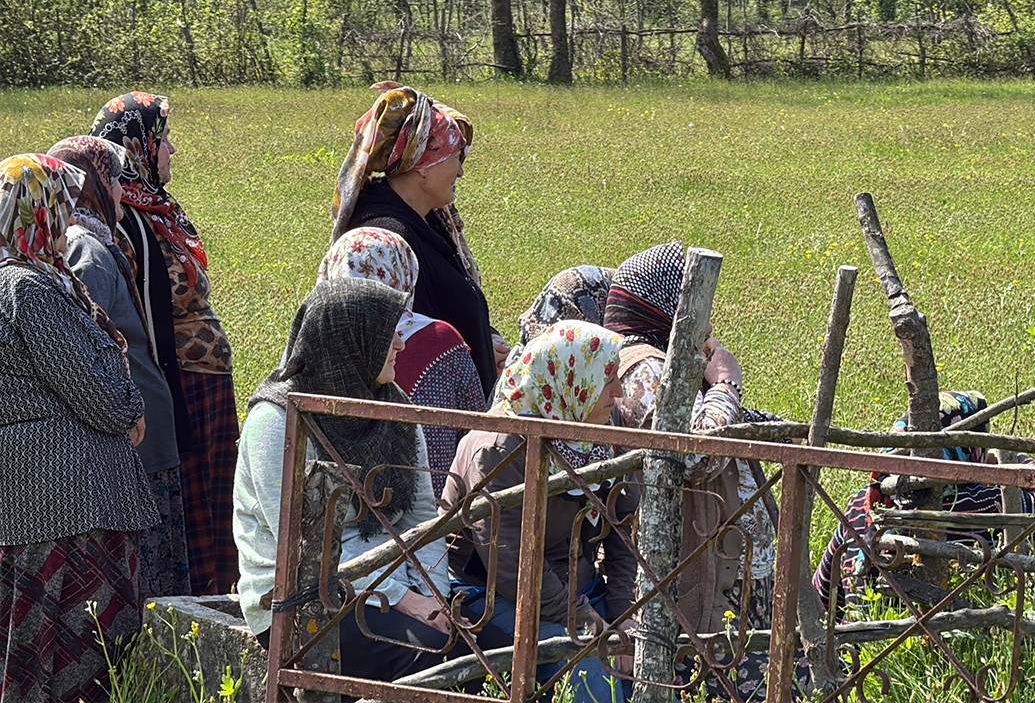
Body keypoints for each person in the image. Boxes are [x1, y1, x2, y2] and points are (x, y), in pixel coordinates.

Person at [234, 277, 456, 681]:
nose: (401, 345)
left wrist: (432, 594)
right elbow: (308, 544)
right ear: (352, 339)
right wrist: (404, 599)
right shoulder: (277, 422)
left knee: (496, 644)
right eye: (388, 334)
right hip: (301, 600)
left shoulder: (394, 409)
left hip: (392, 587)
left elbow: (422, 515)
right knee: (436, 658)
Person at [0, 153, 158, 702]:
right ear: (38, 212)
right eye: (61, 205)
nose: (68, 219)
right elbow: (94, 389)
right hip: (64, 500)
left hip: (57, 498)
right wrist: (131, 407)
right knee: (70, 650)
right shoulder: (26, 290)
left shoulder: (37, 281)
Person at [604, 241, 784, 696]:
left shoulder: (660, 361)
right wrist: (726, 380)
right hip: (702, 568)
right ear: (667, 304)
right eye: (696, 304)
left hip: (723, 560)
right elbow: (696, 455)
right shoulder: (643, 369)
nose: (707, 321)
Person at [91, 91, 239, 595]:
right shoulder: (125, 222)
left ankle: (220, 596)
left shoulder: (156, 209)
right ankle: (200, 601)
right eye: (164, 139)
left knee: (217, 506)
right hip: (182, 395)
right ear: (138, 144)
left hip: (204, 386)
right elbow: (141, 323)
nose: (171, 149)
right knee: (195, 502)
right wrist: (166, 405)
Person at [441, 320, 636, 702]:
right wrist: (583, 618)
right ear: (571, 379)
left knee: (650, 663)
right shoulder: (499, 450)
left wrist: (624, 613)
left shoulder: (596, 422)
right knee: (586, 667)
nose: (618, 391)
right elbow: (512, 562)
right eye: (606, 378)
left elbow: (621, 530)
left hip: (576, 589)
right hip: (492, 595)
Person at [49, 135, 190, 598]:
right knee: (146, 578)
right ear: (92, 184)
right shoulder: (86, 252)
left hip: (145, 433)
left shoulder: (97, 242)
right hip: (134, 440)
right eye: (113, 182)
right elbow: (86, 343)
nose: (120, 193)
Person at [812, 390, 1035, 614]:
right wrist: (1016, 464)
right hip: (948, 648)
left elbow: (823, 592)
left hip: (856, 649)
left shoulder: (863, 503)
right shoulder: (978, 502)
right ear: (970, 447)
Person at [330, 85, 508, 396]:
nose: (462, 171)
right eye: (456, 157)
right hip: (425, 421)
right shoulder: (384, 240)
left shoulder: (434, 222)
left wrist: (483, 339)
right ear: (424, 167)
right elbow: (393, 343)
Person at [317, 227, 486, 499]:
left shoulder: (313, 343)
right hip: (438, 515)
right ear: (405, 274)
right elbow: (477, 431)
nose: (397, 345)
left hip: (333, 518)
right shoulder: (441, 341)